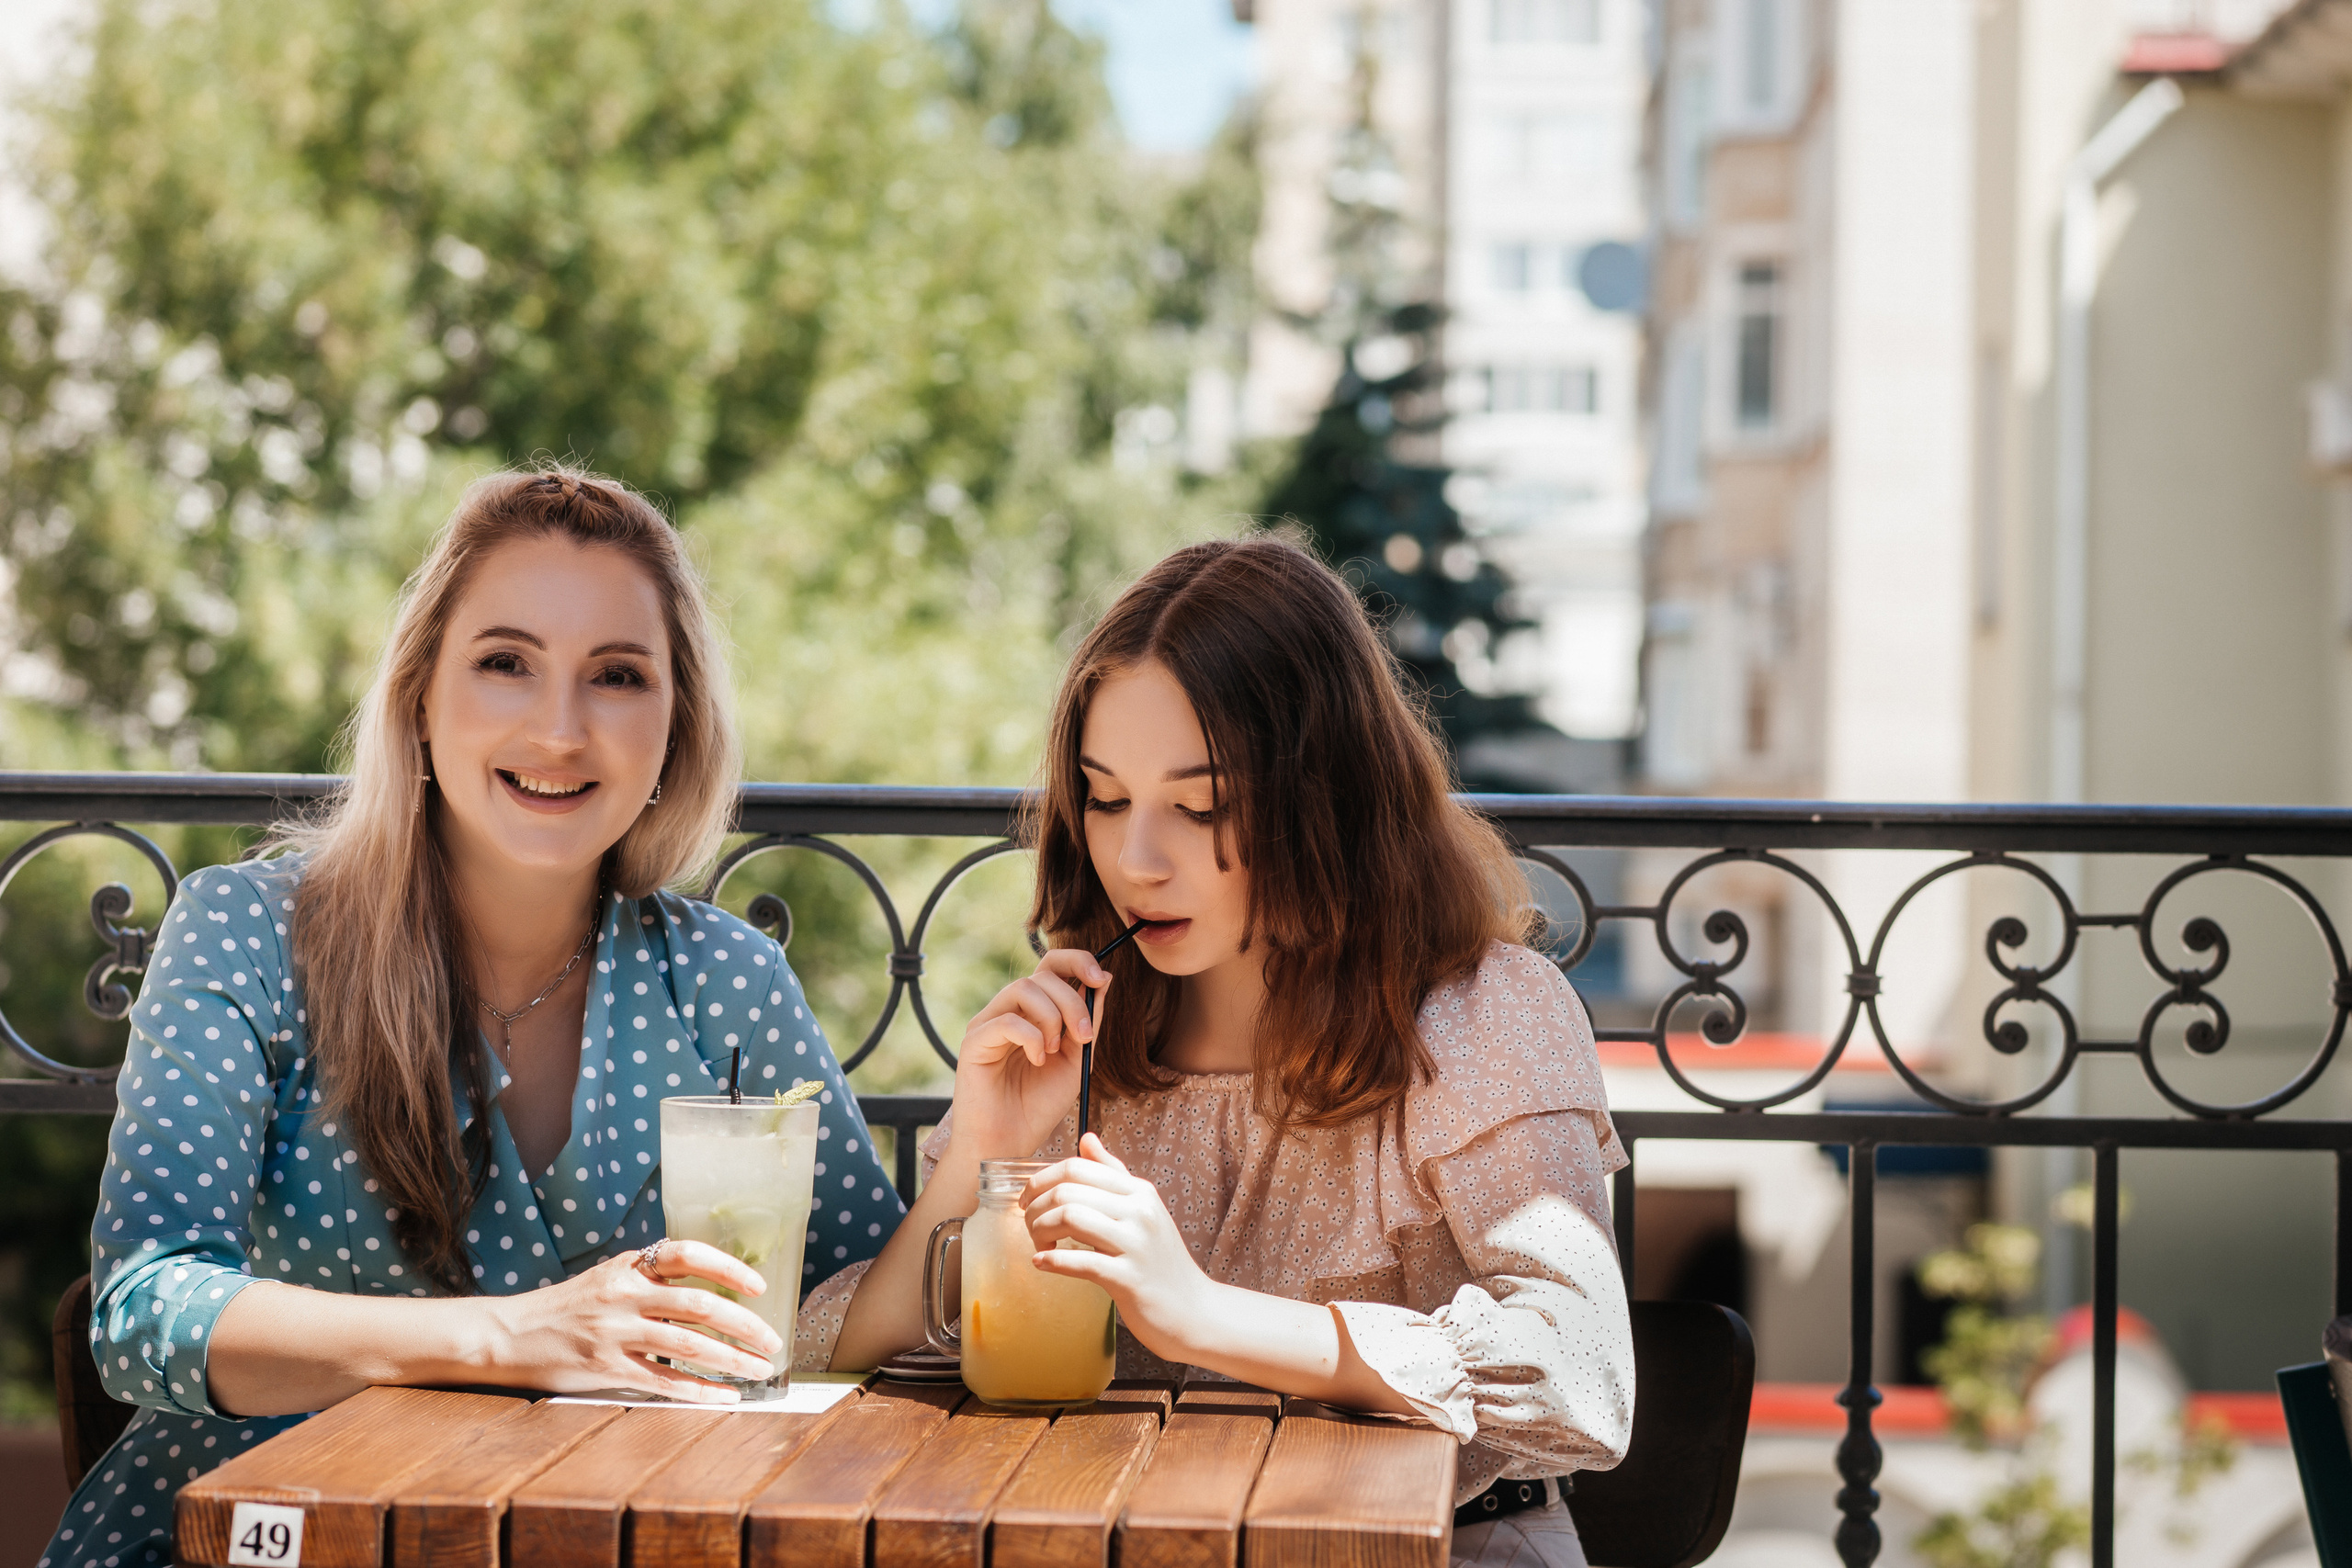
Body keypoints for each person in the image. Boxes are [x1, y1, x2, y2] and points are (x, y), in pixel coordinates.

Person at [42, 468, 902, 1568]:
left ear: (675, 724)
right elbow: (145, 1312)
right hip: (255, 1541)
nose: (560, 728)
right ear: (419, 697)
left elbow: (851, 1301)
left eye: (617, 676)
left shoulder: (727, 977)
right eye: (505, 663)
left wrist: (981, 1139)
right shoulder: (246, 932)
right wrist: (515, 1337)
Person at [827, 536, 1635, 1568]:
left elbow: (1582, 1376)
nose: (1136, 859)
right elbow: (842, 1356)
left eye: (1200, 805)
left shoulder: (1479, 1013)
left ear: (1325, 799)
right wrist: (984, 1149)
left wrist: (1203, 1315)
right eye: (1106, 799)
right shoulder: (1085, 1033)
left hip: (1444, 1544)